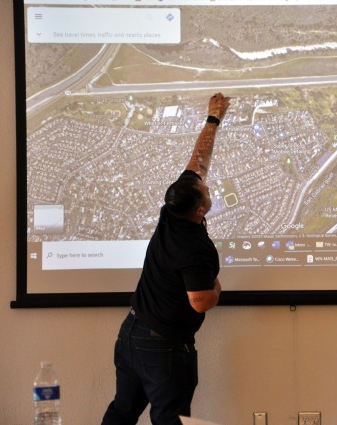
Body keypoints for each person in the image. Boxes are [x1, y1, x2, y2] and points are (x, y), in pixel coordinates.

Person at [102, 93, 231, 425]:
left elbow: (198, 160)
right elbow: (200, 301)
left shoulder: (172, 209)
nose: (205, 183)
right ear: (200, 209)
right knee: (169, 419)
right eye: (205, 190)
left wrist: (213, 118)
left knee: (122, 412)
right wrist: (216, 287)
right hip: (163, 347)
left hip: (132, 332)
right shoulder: (195, 248)